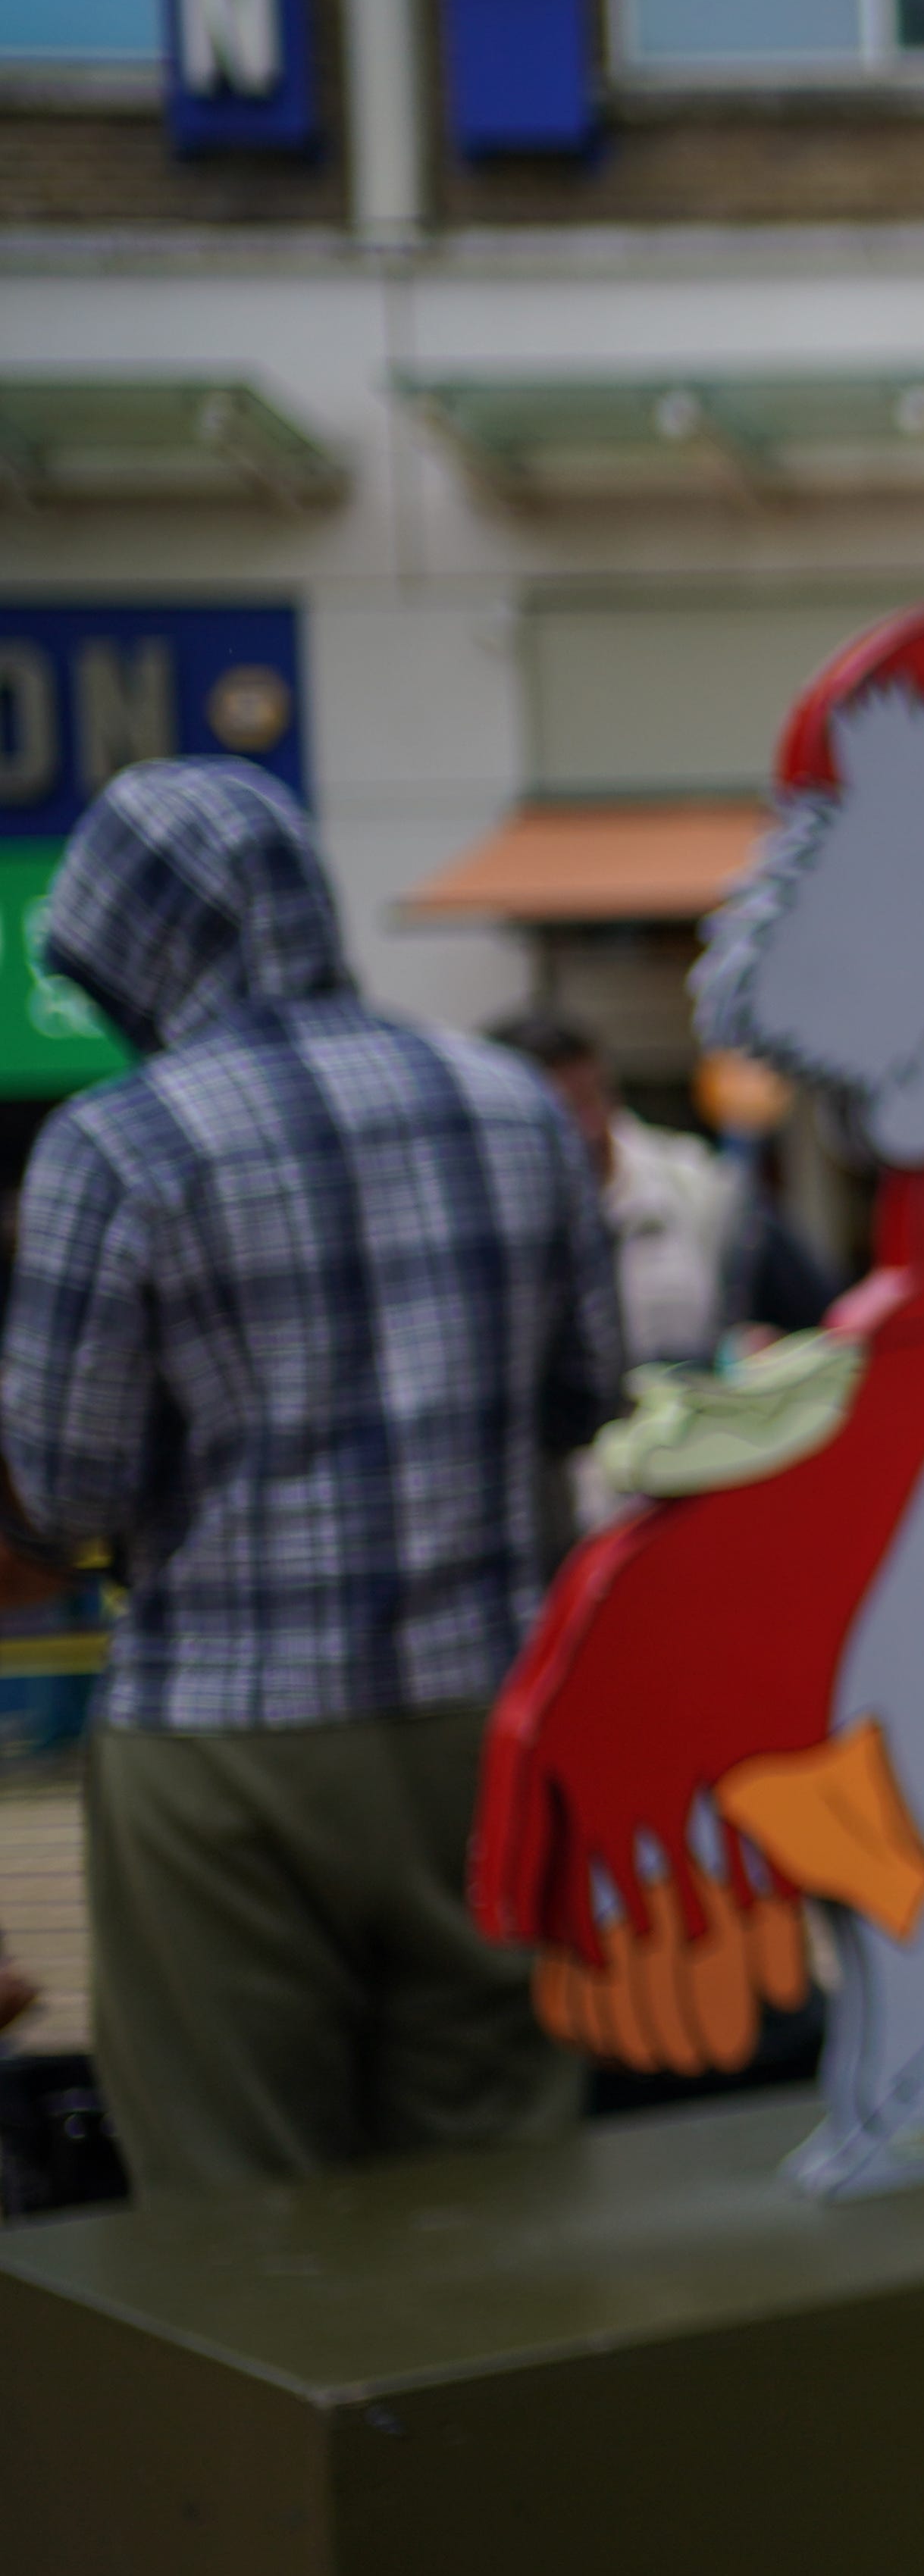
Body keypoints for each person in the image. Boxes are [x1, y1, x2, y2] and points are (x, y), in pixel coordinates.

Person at [0, 759, 624, 2196]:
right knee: (502, 2180)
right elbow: (587, 1399)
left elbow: (69, 1487)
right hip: (489, 1720)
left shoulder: (117, 1143)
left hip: (225, 1748)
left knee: (242, 2209)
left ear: (144, 944)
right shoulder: (513, 1104)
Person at [484, 1012, 835, 1366]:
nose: (589, 1128)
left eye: (594, 1099)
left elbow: (821, 1327)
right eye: (562, 1112)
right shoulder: (490, 1220)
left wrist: (751, 1357)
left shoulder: (705, 1192)